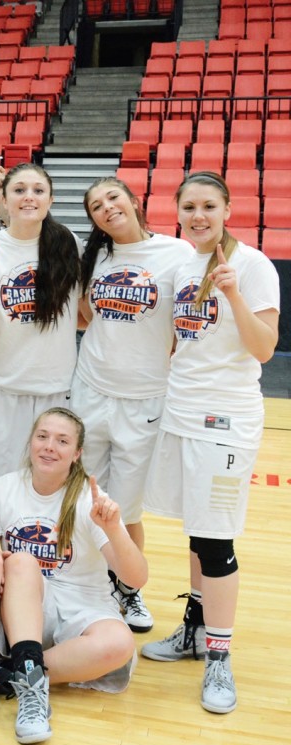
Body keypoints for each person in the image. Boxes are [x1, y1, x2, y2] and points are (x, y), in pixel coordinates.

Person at [141, 172, 280, 715]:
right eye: (190, 207)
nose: (198, 216)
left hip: (228, 419)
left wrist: (233, 295)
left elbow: (264, 348)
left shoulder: (254, 266)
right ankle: (195, 630)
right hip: (181, 411)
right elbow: (181, 340)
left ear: (227, 209)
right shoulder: (181, 266)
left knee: (218, 539)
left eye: (208, 206)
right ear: (178, 212)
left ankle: (220, 656)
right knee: (197, 532)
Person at [0, 408, 147, 744]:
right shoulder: (2, 490)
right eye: (42, 437)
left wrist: (114, 529)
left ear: (77, 453)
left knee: (120, 643)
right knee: (23, 563)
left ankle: (14, 673)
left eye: (62, 441)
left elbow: (136, 577)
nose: (49, 446)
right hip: (25, 607)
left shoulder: (91, 499)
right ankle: (30, 687)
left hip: (84, 604)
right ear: (30, 442)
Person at [72, 177, 194, 633]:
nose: (107, 208)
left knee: (126, 509)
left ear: (134, 201)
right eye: (96, 206)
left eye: (113, 198)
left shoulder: (176, 253)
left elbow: (189, 321)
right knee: (83, 500)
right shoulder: (96, 259)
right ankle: (88, 587)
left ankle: (129, 590)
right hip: (91, 390)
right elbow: (85, 316)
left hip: (145, 399)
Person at [0, 163, 83, 492]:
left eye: (38, 190)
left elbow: (83, 313)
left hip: (56, 391)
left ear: (51, 200)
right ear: (3, 198)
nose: (28, 197)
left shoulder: (69, 244)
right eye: (19, 190)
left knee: (50, 490)